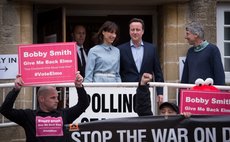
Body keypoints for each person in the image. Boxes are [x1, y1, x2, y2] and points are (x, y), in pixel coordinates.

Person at [0, 72, 89, 142]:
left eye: (57, 97)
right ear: (42, 99)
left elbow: (83, 105)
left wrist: (79, 86)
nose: (57, 100)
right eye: (53, 98)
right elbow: (5, 110)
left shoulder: (64, 114)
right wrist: (16, 90)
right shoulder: (28, 116)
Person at [118, 18, 164, 103]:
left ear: (142, 31)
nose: (135, 32)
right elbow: (118, 72)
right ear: (129, 31)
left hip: (147, 90)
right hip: (126, 91)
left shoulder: (152, 49)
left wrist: (160, 92)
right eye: (132, 30)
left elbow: (158, 73)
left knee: (145, 115)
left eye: (138, 30)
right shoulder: (121, 49)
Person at [181, 21, 225, 85]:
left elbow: (219, 76)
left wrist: (221, 93)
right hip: (191, 94)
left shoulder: (212, 50)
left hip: (208, 93)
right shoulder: (190, 52)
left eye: (188, 34)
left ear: (196, 35)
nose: (185, 37)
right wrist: (181, 94)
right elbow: (185, 77)